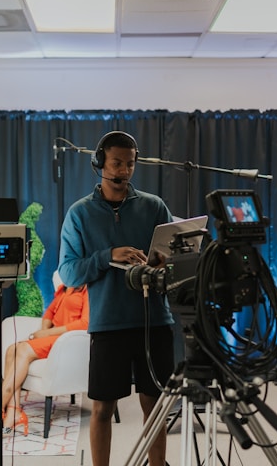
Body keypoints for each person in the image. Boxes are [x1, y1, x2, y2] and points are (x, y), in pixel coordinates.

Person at [58, 131, 175, 466]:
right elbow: (68, 273)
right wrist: (108, 255)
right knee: (103, 408)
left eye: (130, 164)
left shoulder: (154, 206)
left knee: (155, 407)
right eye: (117, 164)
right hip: (109, 324)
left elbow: (170, 259)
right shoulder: (80, 214)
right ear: (99, 164)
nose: (124, 171)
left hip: (155, 321)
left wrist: (164, 262)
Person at [0, 279, 89, 434]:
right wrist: (43, 331)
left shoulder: (88, 289)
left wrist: (47, 333)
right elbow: (49, 313)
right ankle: (14, 411)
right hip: (52, 338)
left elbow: (84, 323)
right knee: (11, 350)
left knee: (22, 349)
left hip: (68, 341)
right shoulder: (64, 288)